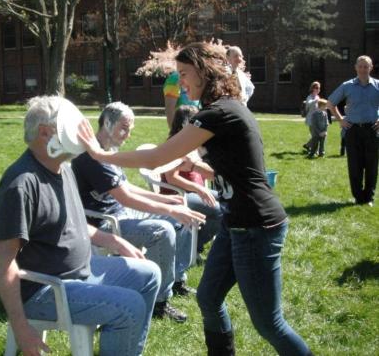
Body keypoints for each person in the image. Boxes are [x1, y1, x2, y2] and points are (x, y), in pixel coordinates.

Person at [78, 42, 314, 356]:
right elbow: (235, 168)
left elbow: (157, 157)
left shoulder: (219, 113)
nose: (181, 82)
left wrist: (100, 155)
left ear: (206, 71)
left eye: (185, 74)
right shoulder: (223, 110)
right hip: (236, 223)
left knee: (269, 323)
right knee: (208, 298)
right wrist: (199, 167)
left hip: (258, 226)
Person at [0, 95, 161, 356]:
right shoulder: (21, 184)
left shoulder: (64, 168)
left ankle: (120, 345)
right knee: (131, 307)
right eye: (72, 127)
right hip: (46, 289)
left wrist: (114, 240)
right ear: (46, 134)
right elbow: (4, 262)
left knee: (150, 274)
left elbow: (76, 225)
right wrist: (21, 328)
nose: (84, 133)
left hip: (81, 271)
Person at [71, 102, 205, 323]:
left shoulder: (107, 151)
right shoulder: (93, 158)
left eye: (130, 129)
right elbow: (126, 197)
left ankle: (176, 279)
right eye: (124, 128)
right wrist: (170, 207)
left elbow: (127, 187)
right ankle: (160, 303)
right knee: (162, 231)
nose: (128, 134)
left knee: (179, 215)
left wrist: (165, 199)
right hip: (105, 223)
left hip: (122, 213)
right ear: (106, 123)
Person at [161, 105, 223, 259]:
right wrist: (198, 188)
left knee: (229, 201)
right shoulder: (175, 145)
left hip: (194, 192)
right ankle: (194, 247)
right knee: (220, 211)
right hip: (179, 196)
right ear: (187, 124)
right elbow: (171, 177)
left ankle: (195, 244)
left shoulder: (192, 143)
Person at [328, 55, 379, 207]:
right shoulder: (347, 86)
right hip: (353, 131)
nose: (363, 69)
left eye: (366, 66)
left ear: (371, 68)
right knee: (355, 165)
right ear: (356, 68)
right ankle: (358, 197)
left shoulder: (377, 85)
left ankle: (369, 197)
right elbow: (330, 103)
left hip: (372, 130)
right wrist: (341, 120)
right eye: (361, 66)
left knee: (371, 165)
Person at [303, 81, 321, 151]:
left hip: (317, 119)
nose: (318, 90)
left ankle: (308, 146)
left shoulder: (318, 97)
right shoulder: (309, 97)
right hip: (311, 119)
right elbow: (308, 104)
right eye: (316, 88)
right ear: (313, 88)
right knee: (315, 136)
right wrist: (315, 101)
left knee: (317, 135)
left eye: (319, 88)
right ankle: (313, 150)